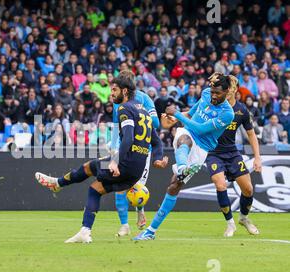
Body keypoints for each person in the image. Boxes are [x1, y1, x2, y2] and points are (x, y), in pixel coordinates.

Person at [35, 75, 167, 243]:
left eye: (114, 90)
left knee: (90, 167)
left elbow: (127, 138)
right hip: (136, 171)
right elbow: (156, 142)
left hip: (125, 163)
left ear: (124, 91)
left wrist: (115, 161)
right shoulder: (144, 112)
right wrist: (158, 159)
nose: (111, 94)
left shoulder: (125, 108)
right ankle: (85, 231)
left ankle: (58, 184)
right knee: (95, 189)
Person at [134, 74, 234, 240]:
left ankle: (151, 231)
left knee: (174, 187)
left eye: (218, 93)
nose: (214, 95)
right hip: (188, 134)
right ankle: (182, 167)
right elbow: (192, 113)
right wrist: (174, 118)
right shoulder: (206, 93)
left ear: (227, 92)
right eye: (213, 91)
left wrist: (177, 113)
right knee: (183, 140)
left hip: (202, 148)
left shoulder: (227, 114)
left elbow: (202, 129)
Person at [205, 76, 261, 237]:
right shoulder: (214, 104)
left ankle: (243, 218)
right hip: (213, 153)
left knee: (248, 189)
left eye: (230, 88)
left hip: (232, 153)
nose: (227, 91)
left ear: (234, 90)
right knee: (220, 185)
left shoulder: (241, 110)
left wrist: (257, 157)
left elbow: (251, 135)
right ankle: (230, 224)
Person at [110, 70, 163, 237]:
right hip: (126, 148)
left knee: (136, 186)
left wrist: (140, 113)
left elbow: (155, 122)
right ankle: (125, 224)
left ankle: (138, 211)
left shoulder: (144, 99)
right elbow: (115, 124)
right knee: (120, 185)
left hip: (141, 149)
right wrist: (113, 147)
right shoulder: (117, 102)